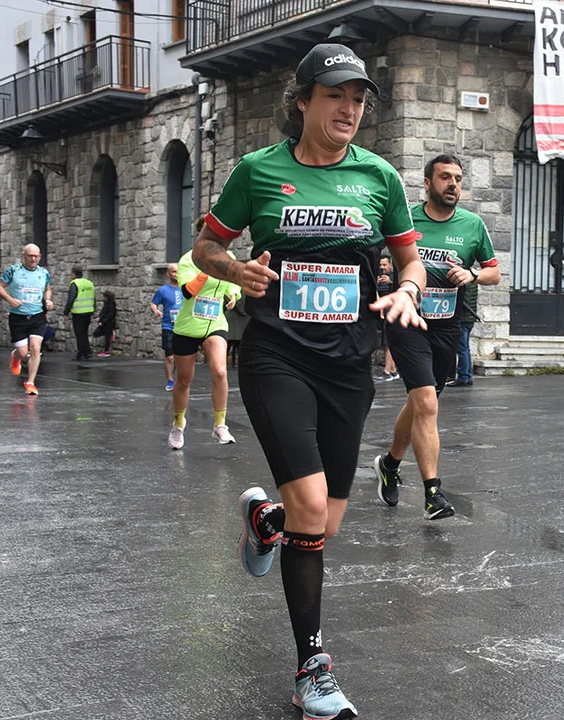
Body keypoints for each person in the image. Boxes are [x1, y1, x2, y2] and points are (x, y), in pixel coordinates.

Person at [191, 43, 426, 720]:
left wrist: (408, 291)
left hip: (348, 363)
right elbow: (206, 247)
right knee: (314, 508)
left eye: (358, 99)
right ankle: (312, 670)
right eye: (335, 96)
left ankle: (265, 520)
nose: (349, 109)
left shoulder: (379, 177)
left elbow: (410, 262)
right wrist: (235, 270)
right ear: (302, 102)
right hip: (277, 356)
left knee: (322, 520)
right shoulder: (259, 171)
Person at [373, 154, 500, 519]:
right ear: (427, 183)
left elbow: (493, 273)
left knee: (420, 402)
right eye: (445, 177)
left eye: (458, 178)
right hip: (408, 320)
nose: (453, 184)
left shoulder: (472, 225)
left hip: (446, 326)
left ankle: (389, 464)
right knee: (427, 403)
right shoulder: (406, 219)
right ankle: (432, 494)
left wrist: (472, 276)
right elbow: (373, 254)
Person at [167, 247, 241, 449]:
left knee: (220, 371)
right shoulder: (188, 260)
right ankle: (178, 424)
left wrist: (233, 294)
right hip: (188, 327)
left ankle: (220, 424)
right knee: (184, 379)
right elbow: (188, 292)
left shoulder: (229, 257)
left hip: (215, 323)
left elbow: (233, 281)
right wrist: (208, 268)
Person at [0, 244, 52, 396]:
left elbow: (48, 288)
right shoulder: (14, 271)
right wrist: (10, 299)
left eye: (36, 256)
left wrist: (48, 300)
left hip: (37, 316)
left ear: (40, 257)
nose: (33, 259)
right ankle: (16, 356)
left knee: (35, 348)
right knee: (23, 352)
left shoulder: (43, 273)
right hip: (18, 317)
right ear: (23, 256)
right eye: (30, 256)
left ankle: (30, 383)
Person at [150, 263, 183, 390]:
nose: (177, 274)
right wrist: (155, 310)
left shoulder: (187, 288)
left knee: (182, 356)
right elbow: (153, 303)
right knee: (170, 356)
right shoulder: (163, 290)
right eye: (174, 272)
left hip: (184, 327)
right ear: (168, 274)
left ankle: (181, 380)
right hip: (168, 327)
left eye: (178, 271)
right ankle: (170, 381)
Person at [447, 281, 479, 387]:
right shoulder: (473, 281)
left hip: (463, 318)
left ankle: (463, 377)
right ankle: (467, 376)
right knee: (465, 348)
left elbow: (461, 299)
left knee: (462, 349)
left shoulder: (464, 282)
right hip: (469, 318)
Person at [374, 254, 399, 382]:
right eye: (380, 265)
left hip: (392, 311)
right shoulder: (377, 275)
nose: (382, 267)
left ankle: (387, 372)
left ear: (390, 265)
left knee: (388, 342)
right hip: (381, 311)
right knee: (384, 343)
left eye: (384, 265)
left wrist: (390, 282)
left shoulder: (395, 277)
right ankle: (393, 370)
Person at [62, 266, 95, 361]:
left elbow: (71, 299)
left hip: (78, 312)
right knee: (84, 332)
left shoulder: (74, 284)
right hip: (89, 311)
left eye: (71, 273)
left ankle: (81, 353)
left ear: (74, 274)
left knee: (79, 333)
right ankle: (87, 352)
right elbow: (93, 298)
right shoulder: (89, 283)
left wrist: (66, 312)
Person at [93, 290, 117, 356]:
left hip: (109, 322)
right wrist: (99, 318)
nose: (104, 298)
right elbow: (103, 311)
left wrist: (102, 322)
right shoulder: (106, 303)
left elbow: (110, 315)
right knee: (96, 333)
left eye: (105, 297)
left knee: (107, 337)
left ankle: (106, 352)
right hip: (105, 321)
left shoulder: (112, 304)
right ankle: (111, 333)